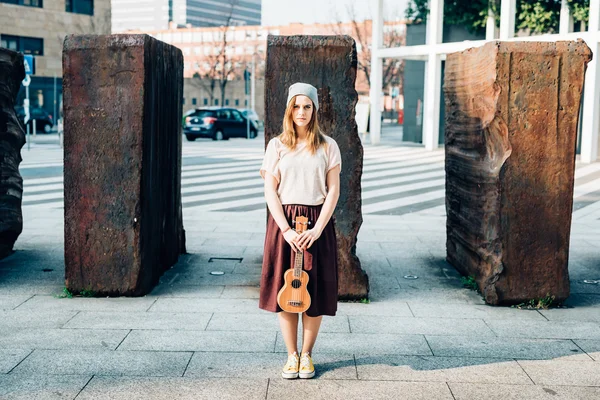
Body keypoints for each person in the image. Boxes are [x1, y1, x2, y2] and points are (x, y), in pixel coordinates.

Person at [259, 82, 341, 379]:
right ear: (288, 109)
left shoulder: (328, 146)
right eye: (296, 105)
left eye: (307, 106)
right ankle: (291, 355)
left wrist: (318, 229)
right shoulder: (277, 145)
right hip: (284, 224)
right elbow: (270, 190)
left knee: (313, 290)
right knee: (286, 291)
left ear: (315, 109)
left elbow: (333, 191)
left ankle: (307, 355)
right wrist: (286, 230)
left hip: (316, 224)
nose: (301, 111)